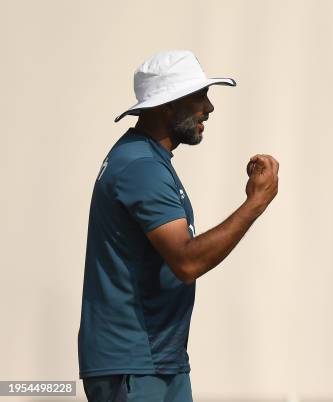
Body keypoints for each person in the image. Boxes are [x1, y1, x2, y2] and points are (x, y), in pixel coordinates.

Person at [78, 50, 279, 402]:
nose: (209, 108)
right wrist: (256, 202)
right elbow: (187, 263)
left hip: (153, 362)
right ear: (167, 105)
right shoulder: (141, 166)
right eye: (199, 97)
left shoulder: (143, 158)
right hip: (137, 366)